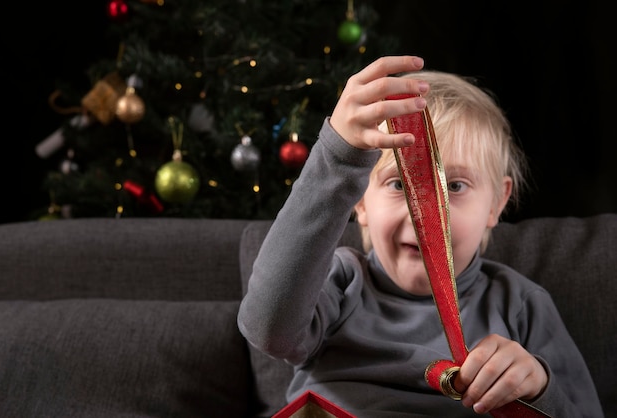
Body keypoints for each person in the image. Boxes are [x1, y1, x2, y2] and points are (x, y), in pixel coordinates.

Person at [237, 56, 603, 417]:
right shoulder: (340, 283)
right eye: (400, 183)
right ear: (361, 201)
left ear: (497, 203)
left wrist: (537, 388)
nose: (424, 213)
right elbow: (267, 329)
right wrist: (340, 159)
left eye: (455, 186)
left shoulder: (520, 305)